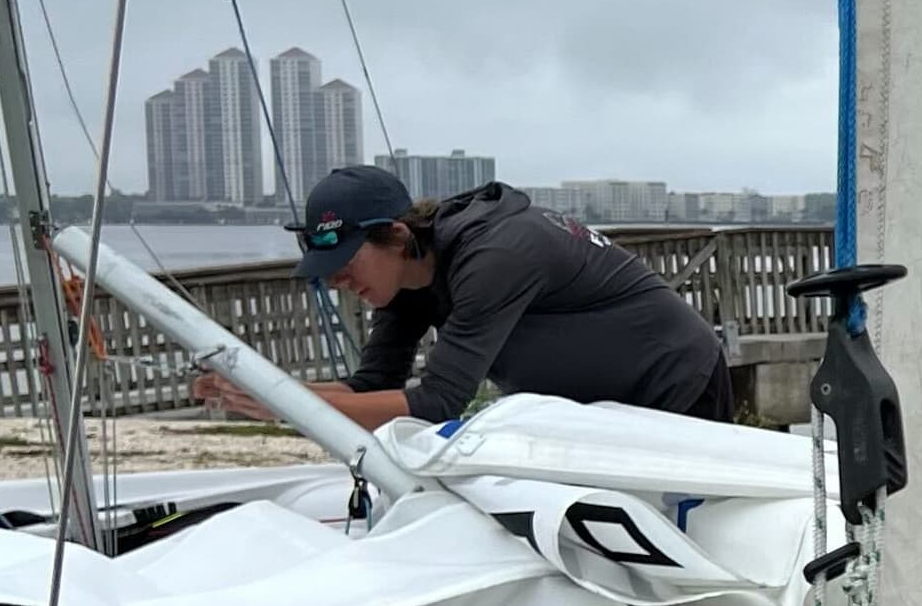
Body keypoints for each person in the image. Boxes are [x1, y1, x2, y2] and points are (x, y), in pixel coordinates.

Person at [193, 164, 735, 428]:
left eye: (345, 263)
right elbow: (372, 387)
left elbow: (436, 405)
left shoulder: (494, 256)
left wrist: (286, 406)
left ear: (398, 235)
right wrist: (261, 387)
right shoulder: (405, 281)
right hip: (595, 408)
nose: (338, 282)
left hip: (675, 380)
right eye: (326, 270)